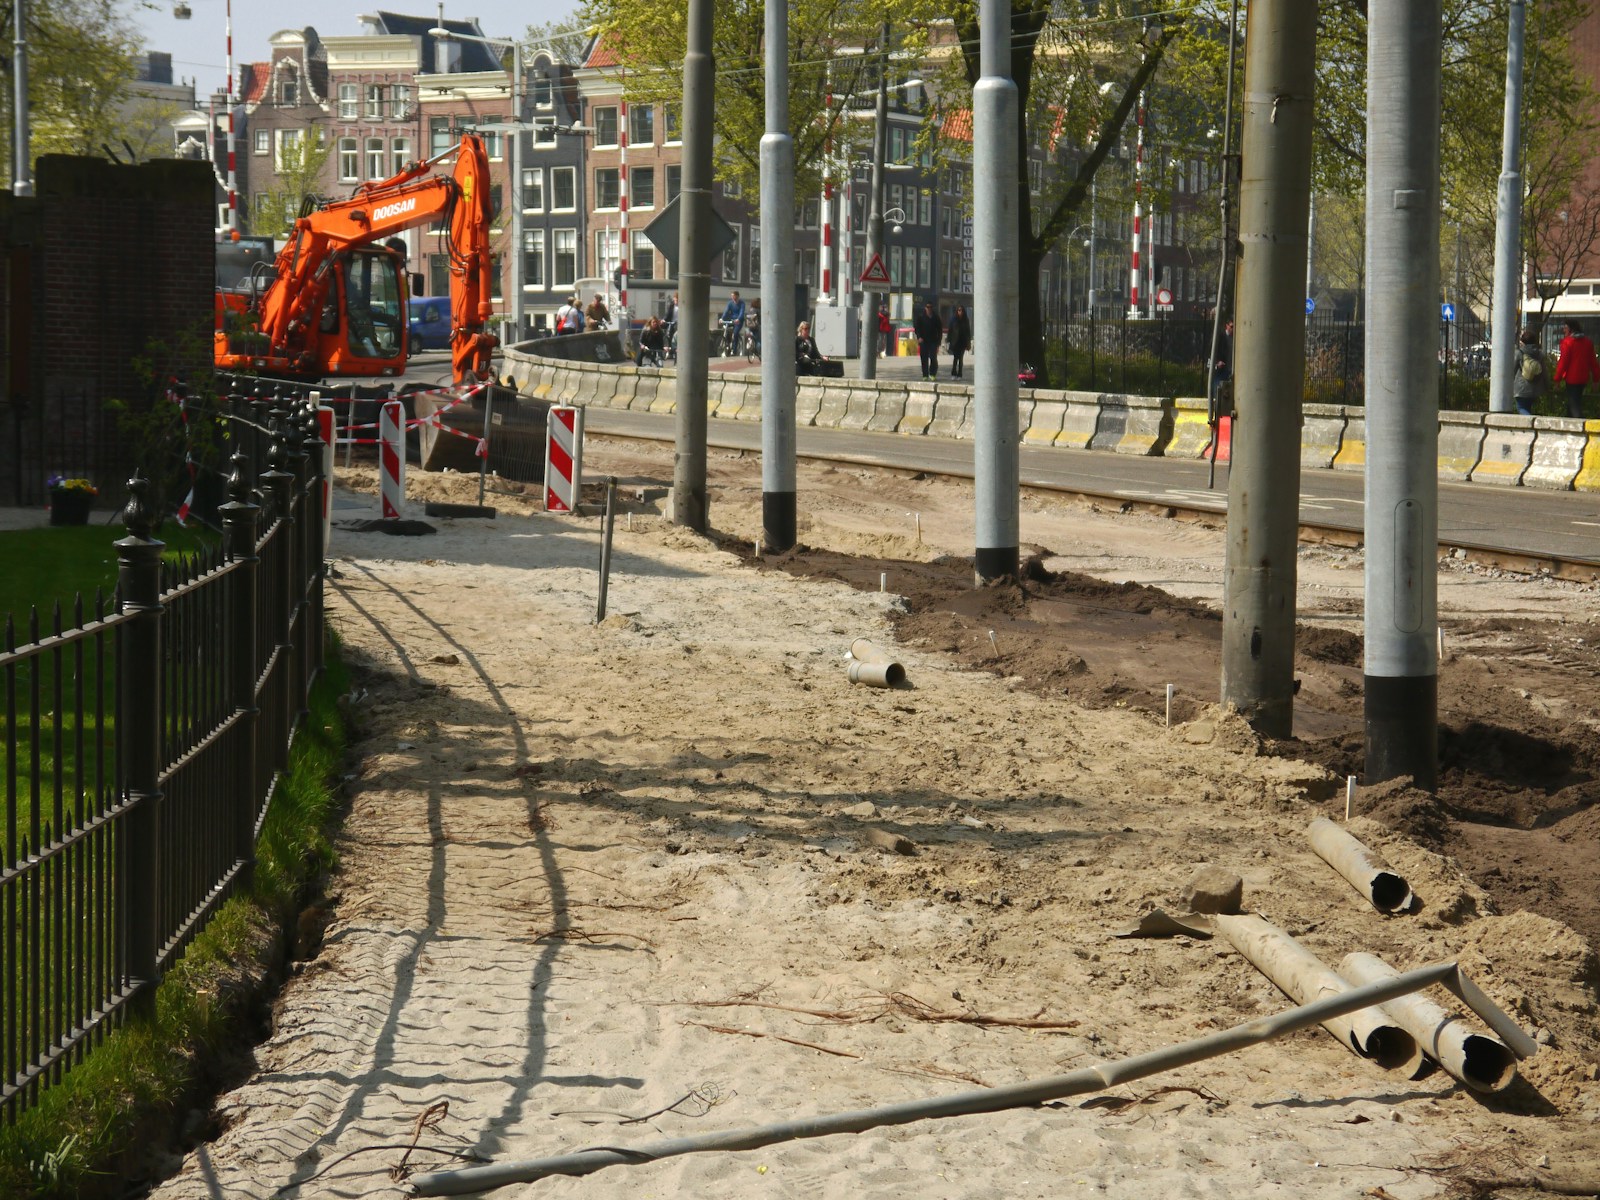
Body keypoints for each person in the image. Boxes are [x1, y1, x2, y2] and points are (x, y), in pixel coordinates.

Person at [1553, 318, 1599, 419]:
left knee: (1574, 407)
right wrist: (1596, 379)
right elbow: (1593, 362)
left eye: (1565, 328)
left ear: (1570, 329)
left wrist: (1557, 380)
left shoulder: (1567, 342)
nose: (1563, 330)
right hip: (1583, 378)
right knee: (1573, 403)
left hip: (1572, 378)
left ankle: (1581, 429)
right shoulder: (1587, 342)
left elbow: (1563, 363)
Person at [1513, 326, 1548, 418]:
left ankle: (1533, 422)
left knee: (1521, 408)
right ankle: (1531, 426)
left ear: (1523, 342)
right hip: (1536, 389)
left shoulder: (1520, 353)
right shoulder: (1540, 354)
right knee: (1527, 407)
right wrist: (1547, 386)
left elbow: (1512, 370)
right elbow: (1544, 372)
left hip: (1521, 389)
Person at [913, 300, 943, 381]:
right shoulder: (921, 317)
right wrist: (919, 337)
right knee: (924, 358)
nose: (929, 309)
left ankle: (932, 373)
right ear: (925, 308)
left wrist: (939, 341)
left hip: (933, 341)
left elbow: (940, 330)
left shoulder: (936, 317)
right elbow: (917, 328)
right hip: (924, 341)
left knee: (933, 357)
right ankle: (925, 375)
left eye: (930, 307)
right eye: (928, 307)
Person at [946, 304, 971, 378]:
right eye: (959, 310)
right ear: (957, 311)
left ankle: (960, 373)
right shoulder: (953, 320)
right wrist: (948, 340)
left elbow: (968, 332)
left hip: (962, 342)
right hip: (955, 342)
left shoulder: (966, 320)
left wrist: (968, 343)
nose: (961, 312)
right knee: (955, 358)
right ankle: (954, 372)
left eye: (962, 310)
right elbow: (950, 331)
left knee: (961, 358)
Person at [719, 291, 747, 355]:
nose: (732, 297)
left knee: (735, 333)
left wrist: (739, 319)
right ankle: (727, 343)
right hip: (732, 320)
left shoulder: (742, 303)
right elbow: (726, 311)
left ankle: (734, 350)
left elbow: (741, 312)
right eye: (732, 296)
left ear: (737, 296)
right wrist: (722, 318)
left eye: (734, 296)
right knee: (726, 330)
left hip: (738, 321)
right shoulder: (730, 303)